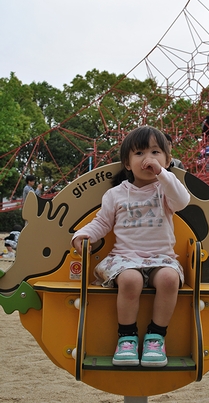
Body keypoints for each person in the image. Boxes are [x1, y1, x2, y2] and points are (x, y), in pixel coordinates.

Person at [72, 126, 190, 368]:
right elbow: (102, 223)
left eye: (156, 152)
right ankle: (126, 337)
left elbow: (183, 201)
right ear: (127, 163)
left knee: (170, 279)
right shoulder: (116, 195)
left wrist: (163, 175)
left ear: (167, 160)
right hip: (125, 258)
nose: (148, 159)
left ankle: (156, 337)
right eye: (139, 154)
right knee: (130, 281)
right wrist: (82, 236)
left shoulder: (165, 191)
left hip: (161, 258)